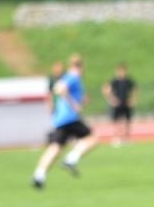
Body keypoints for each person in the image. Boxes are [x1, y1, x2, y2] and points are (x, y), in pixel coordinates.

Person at [32, 54, 97, 188]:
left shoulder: (69, 77)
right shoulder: (73, 77)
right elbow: (59, 89)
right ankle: (71, 159)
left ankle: (39, 174)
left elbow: (61, 89)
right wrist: (74, 104)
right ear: (81, 67)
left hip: (61, 119)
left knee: (55, 147)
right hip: (70, 117)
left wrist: (81, 100)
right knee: (93, 138)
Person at [107, 63, 137, 147]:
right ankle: (117, 137)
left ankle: (126, 138)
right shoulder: (114, 81)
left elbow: (135, 89)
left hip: (126, 103)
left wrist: (133, 100)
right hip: (117, 104)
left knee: (127, 121)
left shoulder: (128, 81)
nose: (122, 73)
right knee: (117, 121)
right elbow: (107, 90)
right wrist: (112, 99)